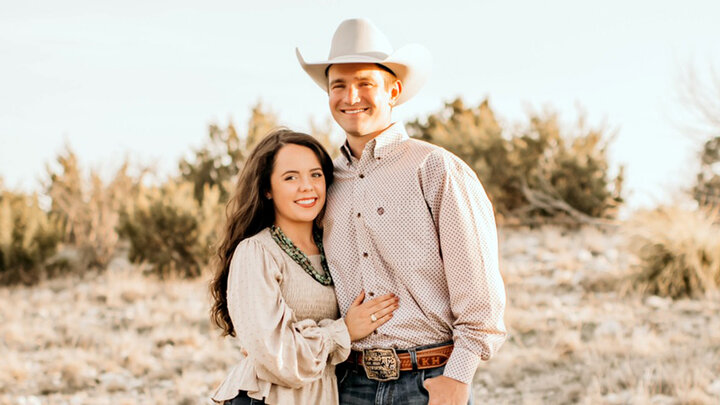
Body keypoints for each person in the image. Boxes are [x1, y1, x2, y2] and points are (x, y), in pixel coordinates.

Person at [296, 18, 507, 404]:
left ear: (393, 90)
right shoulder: (322, 182)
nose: (350, 96)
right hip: (346, 383)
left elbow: (480, 293)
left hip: (428, 381)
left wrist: (457, 378)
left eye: (364, 83)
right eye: (338, 85)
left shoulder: (437, 169)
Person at [209, 129, 400, 404]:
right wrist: (343, 331)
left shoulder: (334, 247)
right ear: (267, 189)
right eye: (290, 177)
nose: (307, 187)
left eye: (316, 174)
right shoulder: (257, 252)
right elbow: (277, 357)